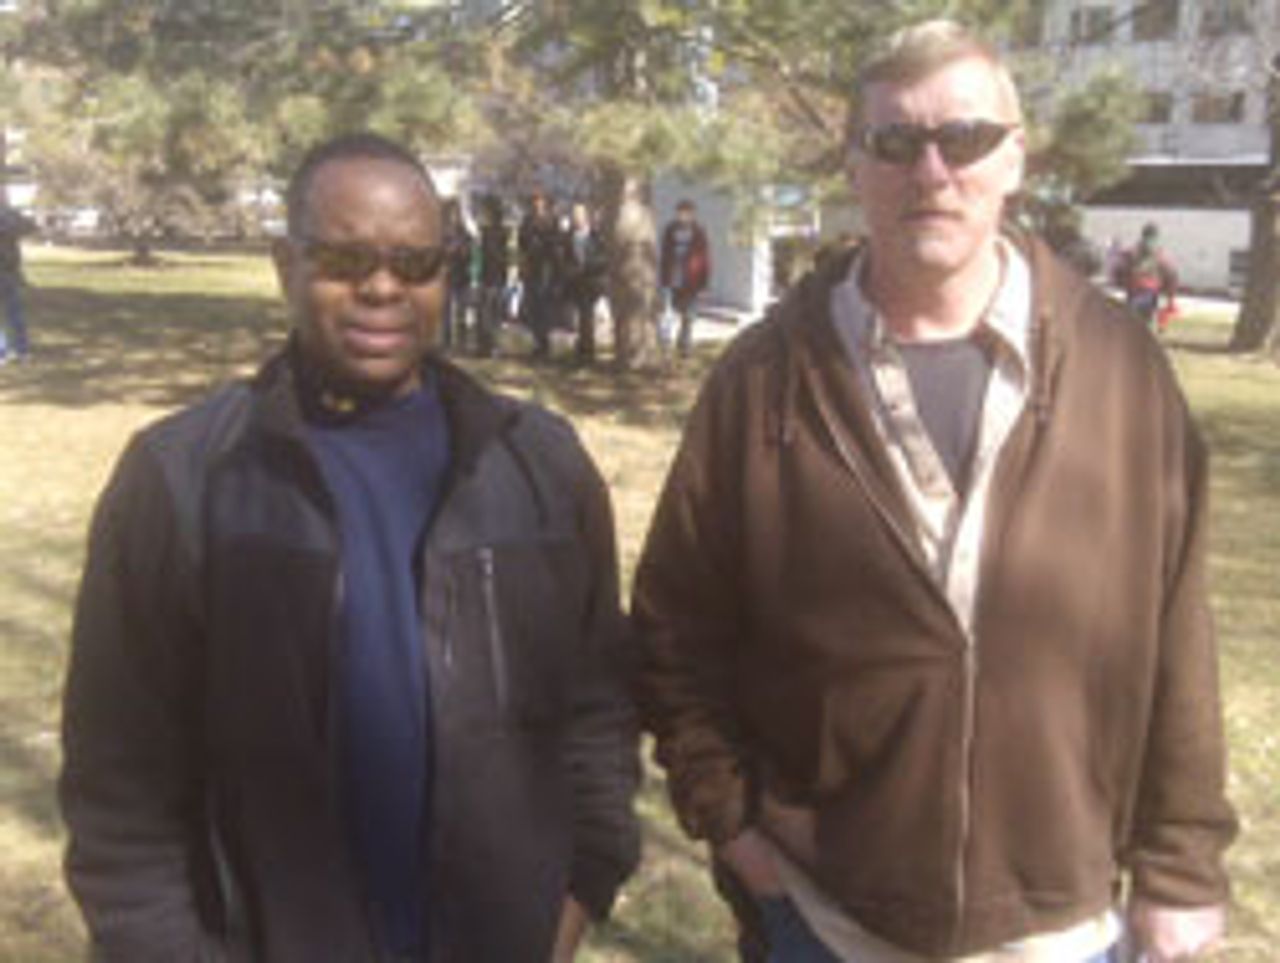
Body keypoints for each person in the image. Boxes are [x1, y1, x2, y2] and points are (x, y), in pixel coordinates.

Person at [633, 20, 1234, 963]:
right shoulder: (763, 380)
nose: (932, 171)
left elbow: (1178, 631)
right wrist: (733, 823)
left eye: (965, 138)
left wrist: (1183, 866)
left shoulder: (1122, 370)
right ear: (854, 165)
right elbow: (675, 626)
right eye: (894, 141)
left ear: (1015, 158)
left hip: (1063, 927)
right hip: (827, 918)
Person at [60, 132, 641, 963]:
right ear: (284, 265)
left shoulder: (539, 466)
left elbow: (597, 708)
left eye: (415, 263)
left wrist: (578, 891)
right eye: (344, 259)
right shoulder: (183, 481)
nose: (382, 287)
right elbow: (119, 783)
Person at [658, 198, 711, 358]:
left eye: (687, 213)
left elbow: (704, 259)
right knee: (667, 315)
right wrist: (662, 278)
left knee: (688, 316)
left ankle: (684, 346)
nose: (683, 216)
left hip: (691, 281)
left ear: (693, 214)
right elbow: (664, 255)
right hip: (670, 280)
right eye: (680, 213)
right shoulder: (670, 230)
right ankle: (665, 345)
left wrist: (704, 284)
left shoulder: (699, 232)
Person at [518, 190, 565, 359]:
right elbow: (521, 242)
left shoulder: (552, 220)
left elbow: (557, 243)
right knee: (532, 306)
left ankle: (545, 343)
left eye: (540, 200)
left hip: (546, 267)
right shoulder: (527, 220)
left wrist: (544, 243)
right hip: (531, 268)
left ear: (545, 202)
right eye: (535, 201)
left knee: (544, 305)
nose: (537, 204)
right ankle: (537, 342)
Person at [562, 201, 608, 364]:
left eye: (580, 215)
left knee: (587, 315)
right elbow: (564, 257)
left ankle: (587, 350)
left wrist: (586, 266)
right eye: (574, 215)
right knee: (578, 316)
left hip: (592, 281)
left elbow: (604, 258)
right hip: (575, 281)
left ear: (586, 216)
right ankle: (582, 347)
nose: (577, 218)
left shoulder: (596, 236)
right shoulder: (568, 237)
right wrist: (569, 270)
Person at [1112, 222, 1179, 332]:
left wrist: (1120, 282)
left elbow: (1119, 269)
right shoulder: (1159, 254)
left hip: (1138, 293)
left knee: (1134, 323)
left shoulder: (1132, 252)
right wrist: (1170, 297)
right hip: (1148, 294)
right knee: (1143, 322)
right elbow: (1171, 275)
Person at [475, 194, 511, 357]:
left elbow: (502, 256)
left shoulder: (500, 233)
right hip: (487, 277)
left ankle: (492, 345)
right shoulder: (485, 233)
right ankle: (485, 345)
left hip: (496, 277)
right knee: (485, 313)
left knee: (492, 314)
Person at [0, 201, 35, 364]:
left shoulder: (9, 215)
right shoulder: (10, 215)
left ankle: (21, 349)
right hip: (9, 272)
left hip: (8, 272)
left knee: (14, 313)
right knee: (14, 313)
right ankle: (6, 350)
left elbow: (29, 226)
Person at [441, 197, 476, 351]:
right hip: (447, 275)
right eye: (452, 212)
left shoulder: (464, 233)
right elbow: (440, 253)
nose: (454, 216)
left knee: (461, 311)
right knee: (446, 312)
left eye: (456, 212)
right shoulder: (442, 233)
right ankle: (446, 341)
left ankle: (461, 342)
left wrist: (462, 250)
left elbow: (469, 252)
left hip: (461, 276)